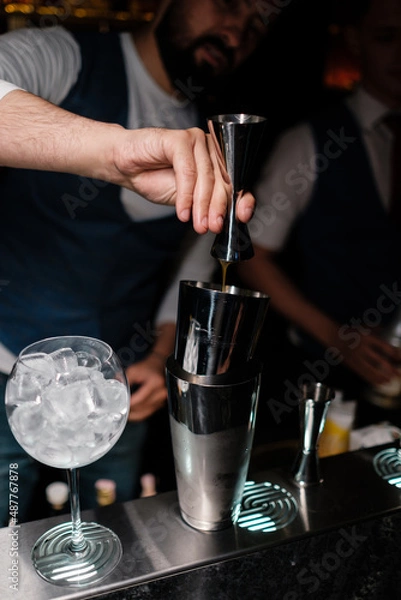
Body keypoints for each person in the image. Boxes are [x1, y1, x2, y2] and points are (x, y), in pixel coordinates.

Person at [0, 0, 268, 525]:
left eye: (256, 25)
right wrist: (115, 152)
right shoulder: (64, 55)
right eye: (229, 3)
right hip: (9, 373)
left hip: (117, 387)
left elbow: (187, 262)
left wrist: (160, 356)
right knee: (7, 538)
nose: (237, 30)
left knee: (111, 527)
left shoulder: (203, 130)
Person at [237, 0, 401, 442]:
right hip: (318, 376)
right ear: (355, 41)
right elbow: (250, 255)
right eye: (387, 38)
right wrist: (336, 336)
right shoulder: (310, 140)